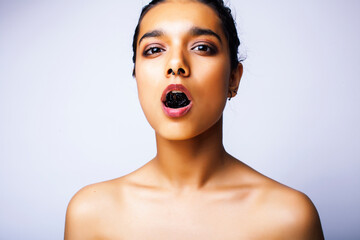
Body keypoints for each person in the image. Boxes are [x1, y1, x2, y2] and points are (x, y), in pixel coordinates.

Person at [64, 0, 324, 239]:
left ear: (233, 77)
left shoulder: (289, 218)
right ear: (136, 75)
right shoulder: (90, 215)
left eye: (202, 47)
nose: (176, 64)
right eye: (154, 49)